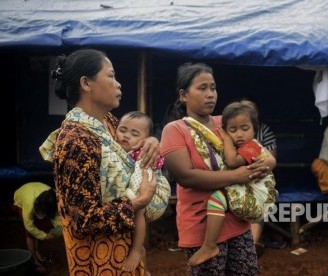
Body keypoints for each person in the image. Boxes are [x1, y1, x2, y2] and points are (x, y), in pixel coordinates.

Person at [39, 49, 160, 275]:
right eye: (111, 76)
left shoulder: (107, 123)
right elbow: (84, 220)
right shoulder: (76, 140)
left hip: (124, 250)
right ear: (86, 83)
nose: (118, 84)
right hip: (100, 261)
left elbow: (130, 149)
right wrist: (140, 201)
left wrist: (151, 141)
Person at [160, 62, 272, 275]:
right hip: (201, 227)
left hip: (238, 220)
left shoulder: (227, 123)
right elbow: (187, 177)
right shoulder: (175, 130)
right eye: (202, 88)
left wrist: (266, 164)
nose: (210, 94)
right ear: (183, 95)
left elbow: (258, 150)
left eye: (213, 88)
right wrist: (238, 175)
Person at [187, 100, 278, 266]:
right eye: (233, 130)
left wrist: (226, 136)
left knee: (215, 199)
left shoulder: (252, 146)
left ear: (254, 130)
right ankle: (211, 244)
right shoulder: (240, 145)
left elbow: (232, 161)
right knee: (216, 201)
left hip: (253, 196)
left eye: (245, 128)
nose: (239, 134)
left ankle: (209, 245)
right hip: (242, 195)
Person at [116, 111, 171, 275]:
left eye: (134, 134)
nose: (126, 136)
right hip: (140, 194)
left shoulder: (143, 154)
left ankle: (136, 250)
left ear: (145, 140)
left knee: (137, 205)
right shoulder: (118, 149)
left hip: (152, 196)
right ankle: (144, 271)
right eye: (122, 130)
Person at [238, 99, 278, 256]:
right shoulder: (231, 130)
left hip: (259, 178)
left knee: (258, 199)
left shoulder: (263, 132)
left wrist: (253, 172)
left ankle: (252, 244)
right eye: (244, 109)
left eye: (251, 110)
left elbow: (270, 161)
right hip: (235, 178)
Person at [13, 181, 62, 273]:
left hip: (39, 195)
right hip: (22, 196)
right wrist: (44, 236)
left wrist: (58, 229)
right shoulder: (29, 203)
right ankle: (35, 261)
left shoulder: (54, 198)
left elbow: (55, 216)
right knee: (30, 233)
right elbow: (29, 225)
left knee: (42, 228)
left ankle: (37, 251)